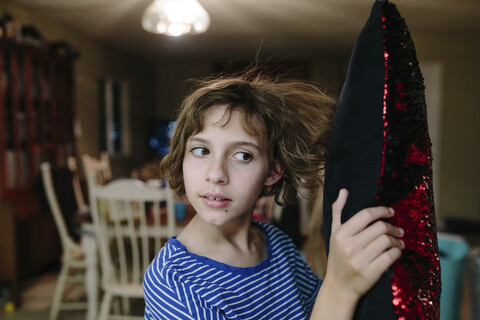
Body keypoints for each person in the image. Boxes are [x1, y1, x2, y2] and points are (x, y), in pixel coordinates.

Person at [143, 66, 405, 320]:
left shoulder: (276, 245)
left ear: (273, 171)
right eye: (201, 150)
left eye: (243, 155)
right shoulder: (172, 281)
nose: (216, 174)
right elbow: (334, 298)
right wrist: (341, 286)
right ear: (181, 159)